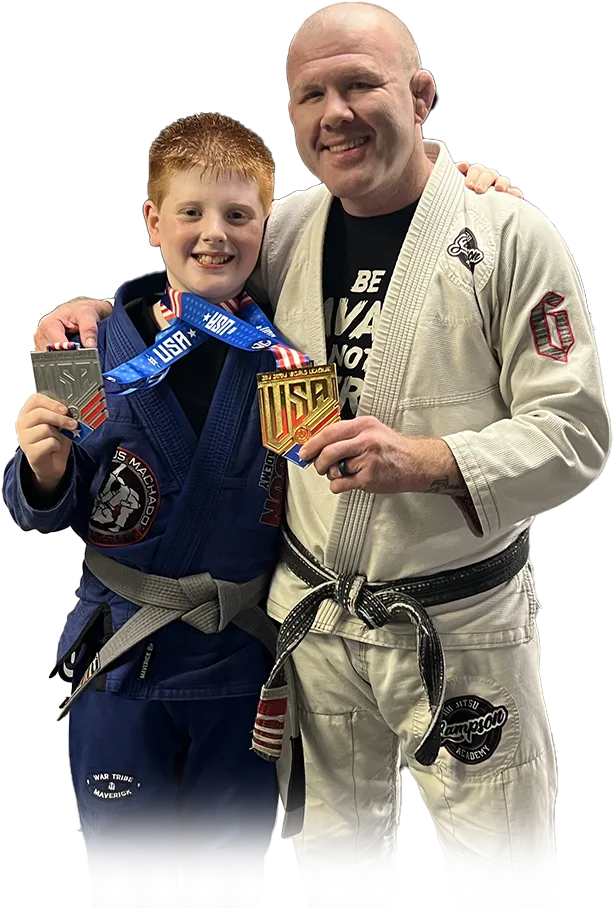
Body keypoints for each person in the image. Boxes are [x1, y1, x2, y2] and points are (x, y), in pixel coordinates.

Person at [26, 5, 595, 906]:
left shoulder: (506, 234)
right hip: (310, 624)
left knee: (508, 882)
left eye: (361, 84)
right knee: (334, 877)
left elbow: (577, 436)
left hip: (459, 624)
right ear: (292, 117)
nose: (336, 110)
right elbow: (194, 280)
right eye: (311, 93)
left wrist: (432, 460)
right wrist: (93, 313)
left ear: (421, 94)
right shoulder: (285, 229)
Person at [3, 112, 286, 908]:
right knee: (128, 882)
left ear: (267, 224)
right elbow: (39, 511)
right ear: (153, 221)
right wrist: (44, 467)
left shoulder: (288, 357)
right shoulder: (86, 349)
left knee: (232, 880)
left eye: (238, 215)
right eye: (190, 212)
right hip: (122, 664)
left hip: (242, 669)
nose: (215, 235)